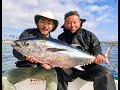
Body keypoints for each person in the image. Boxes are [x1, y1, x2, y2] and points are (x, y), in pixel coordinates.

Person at [57, 11, 116, 90]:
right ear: (64, 24)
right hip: (69, 69)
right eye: (69, 23)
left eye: (75, 22)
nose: (72, 25)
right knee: (57, 71)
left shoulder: (89, 35)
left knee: (106, 74)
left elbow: (97, 51)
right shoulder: (61, 37)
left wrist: (98, 58)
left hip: (88, 68)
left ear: (80, 22)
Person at [2, 11, 59, 90]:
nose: (45, 25)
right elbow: (15, 51)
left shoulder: (54, 42)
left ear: (52, 26)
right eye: (42, 21)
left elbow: (56, 59)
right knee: (3, 80)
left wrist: (51, 64)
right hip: (23, 68)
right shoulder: (27, 33)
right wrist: (24, 56)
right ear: (37, 23)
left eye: (49, 23)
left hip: (42, 70)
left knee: (53, 76)